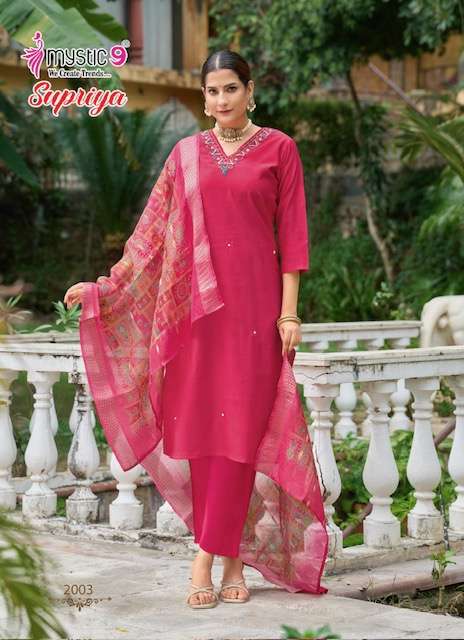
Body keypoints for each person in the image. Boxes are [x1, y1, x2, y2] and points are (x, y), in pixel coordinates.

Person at [64, 49, 329, 611]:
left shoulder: (280, 148)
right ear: (204, 99)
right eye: (212, 91)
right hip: (196, 315)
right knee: (208, 436)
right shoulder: (185, 155)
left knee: (242, 437)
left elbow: (293, 238)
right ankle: (230, 557)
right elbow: (150, 238)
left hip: (256, 312)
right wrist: (105, 289)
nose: (221, 100)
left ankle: (205, 556)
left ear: (249, 91)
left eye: (231, 88)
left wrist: (289, 313)